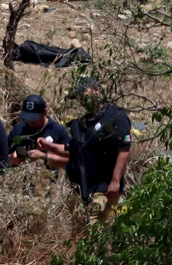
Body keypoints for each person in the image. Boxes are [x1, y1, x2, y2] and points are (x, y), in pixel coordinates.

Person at [39, 77, 131, 223]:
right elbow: (73, 149)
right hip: (83, 188)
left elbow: (124, 149)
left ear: (96, 90)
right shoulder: (83, 123)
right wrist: (49, 146)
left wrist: (115, 182)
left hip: (103, 187)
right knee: (83, 232)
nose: (81, 99)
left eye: (83, 94)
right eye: (78, 96)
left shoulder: (114, 116)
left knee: (97, 230)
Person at [8, 94, 70, 169]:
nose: (30, 122)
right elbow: (2, 157)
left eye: (34, 118)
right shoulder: (18, 129)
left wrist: (43, 156)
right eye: (28, 118)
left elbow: (70, 161)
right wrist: (12, 159)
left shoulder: (58, 131)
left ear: (45, 112)